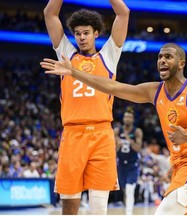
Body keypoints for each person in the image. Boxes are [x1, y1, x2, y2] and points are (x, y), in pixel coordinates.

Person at [40, 43, 187, 215]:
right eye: (159, 57)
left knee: (165, 213)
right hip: (181, 165)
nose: (162, 61)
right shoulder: (154, 91)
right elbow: (112, 87)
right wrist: (74, 72)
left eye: (168, 56)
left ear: (181, 63)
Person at [43, 0, 129, 214]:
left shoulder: (109, 56)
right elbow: (50, 14)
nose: (81, 37)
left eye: (86, 33)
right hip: (73, 134)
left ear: (96, 33)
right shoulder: (66, 55)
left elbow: (123, 13)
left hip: (101, 135)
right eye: (78, 33)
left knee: (99, 208)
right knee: (69, 207)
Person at [114, 107, 143, 215]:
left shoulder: (137, 131)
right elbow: (114, 150)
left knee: (130, 190)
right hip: (121, 165)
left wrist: (129, 140)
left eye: (130, 117)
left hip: (132, 165)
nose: (127, 118)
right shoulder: (117, 131)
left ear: (133, 119)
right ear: (123, 118)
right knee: (125, 190)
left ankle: (129, 213)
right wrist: (117, 144)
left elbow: (138, 148)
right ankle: (127, 209)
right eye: (126, 116)